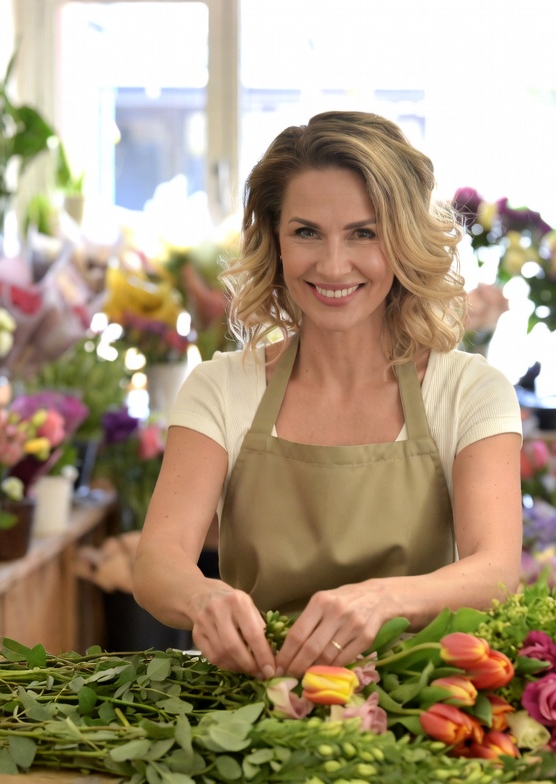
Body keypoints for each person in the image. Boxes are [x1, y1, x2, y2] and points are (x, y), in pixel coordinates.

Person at [132, 110, 522, 680]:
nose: (333, 265)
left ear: (402, 241)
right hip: (257, 697)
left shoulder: (468, 392)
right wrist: (203, 600)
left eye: (364, 233)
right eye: (306, 232)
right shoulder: (221, 389)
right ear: (276, 240)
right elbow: (157, 562)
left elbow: (496, 571)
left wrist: (382, 600)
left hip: (412, 705)